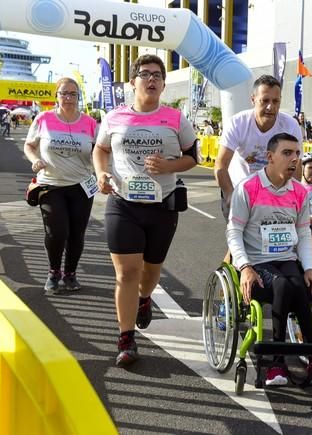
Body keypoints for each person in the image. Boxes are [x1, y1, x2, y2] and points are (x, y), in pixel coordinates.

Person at [93, 54, 198, 367]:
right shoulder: (113, 117)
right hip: (123, 205)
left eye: (157, 75)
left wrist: (169, 165)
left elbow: (193, 156)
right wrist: (101, 173)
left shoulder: (176, 119)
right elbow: (100, 149)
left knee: (150, 272)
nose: (151, 79)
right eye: (145, 74)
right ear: (132, 82)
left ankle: (145, 298)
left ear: (163, 84)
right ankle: (126, 339)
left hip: (162, 208)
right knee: (127, 273)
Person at [226, 133, 312, 386]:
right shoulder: (249, 188)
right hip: (256, 261)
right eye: (287, 153)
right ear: (270, 157)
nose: (294, 159)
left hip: (286, 258)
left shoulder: (299, 191)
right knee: (283, 285)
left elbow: (302, 232)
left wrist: (310, 269)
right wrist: (244, 267)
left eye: (297, 154)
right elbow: (233, 231)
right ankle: (275, 362)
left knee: (301, 284)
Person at [23, 77, 98, 293]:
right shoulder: (43, 119)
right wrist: (34, 160)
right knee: (57, 232)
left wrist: (102, 169)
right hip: (50, 185)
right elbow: (29, 145)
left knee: (77, 233)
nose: (68, 98)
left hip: (82, 186)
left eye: (73, 94)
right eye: (63, 93)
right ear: (56, 96)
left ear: (78, 97)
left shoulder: (90, 123)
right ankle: (54, 272)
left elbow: (101, 150)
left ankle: (70, 274)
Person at [215, 75, 302, 221]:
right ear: (253, 100)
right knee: (240, 239)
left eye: (276, 101)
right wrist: (230, 194)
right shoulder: (237, 123)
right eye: (265, 100)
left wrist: (292, 196)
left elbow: (295, 165)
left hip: (275, 191)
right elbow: (220, 165)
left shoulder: (290, 125)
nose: (270, 107)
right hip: (241, 189)